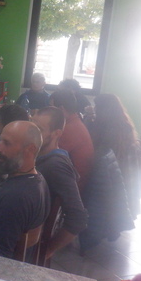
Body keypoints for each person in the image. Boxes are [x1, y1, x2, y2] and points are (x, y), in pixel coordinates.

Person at [0, 121, 50, 258]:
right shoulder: (37, 179)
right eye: (0, 141)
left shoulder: (15, 198)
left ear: (30, 149)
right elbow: (11, 224)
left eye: (6, 143)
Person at [32, 107, 88, 258]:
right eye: (32, 127)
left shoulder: (56, 166)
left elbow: (78, 218)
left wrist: (47, 250)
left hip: (27, 240)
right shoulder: (42, 156)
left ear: (57, 133)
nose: (32, 134)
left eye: (39, 130)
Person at [86, 93, 141, 219]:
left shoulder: (106, 131)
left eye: (96, 107)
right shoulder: (123, 125)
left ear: (103, 110)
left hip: (112, 186)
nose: (95, 109)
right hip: (123, 185)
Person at [50, 89, 94, 191]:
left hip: (71, 189)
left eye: (51, 108)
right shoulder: (75, 122)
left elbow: (48, 156)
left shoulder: (69, 129)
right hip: (74, 182)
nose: (49, 112)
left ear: (61, 109)